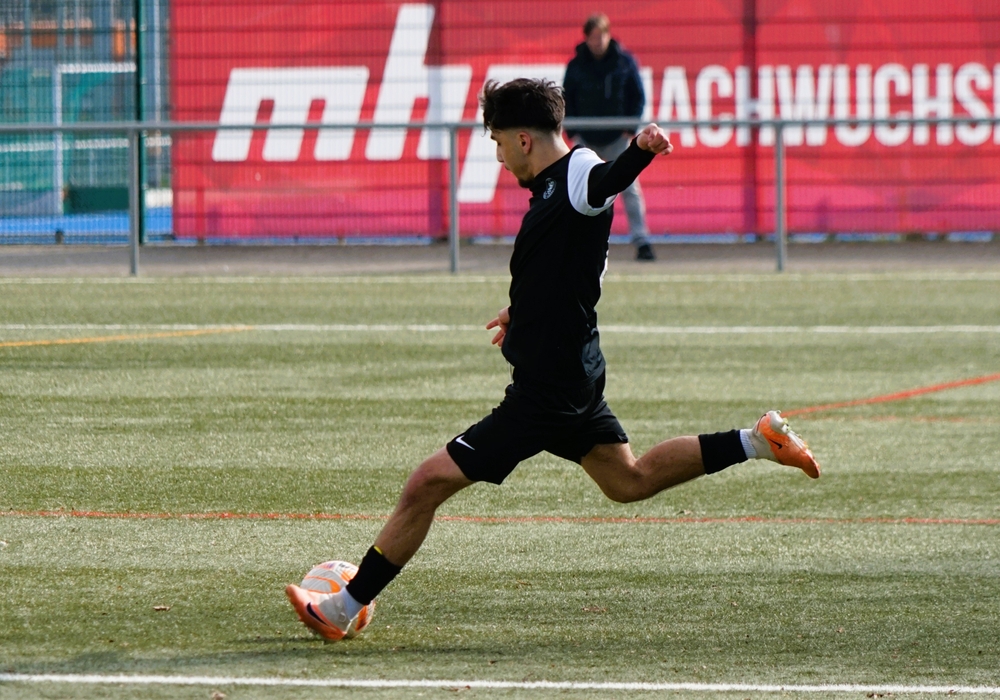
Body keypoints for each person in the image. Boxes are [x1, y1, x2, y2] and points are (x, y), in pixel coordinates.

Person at [286, 78, 821, 641]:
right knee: (628, 480)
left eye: (498, 143)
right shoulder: (550, 188)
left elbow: (606, 183)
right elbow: (566, 267)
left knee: (427, 483)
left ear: (523, 139)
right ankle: (756, 440)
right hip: (574, 373)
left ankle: (343, 607)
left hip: (547, 390)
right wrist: (521, 312)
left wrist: (639, 150)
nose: (498, 157)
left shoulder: (578, 173)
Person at [563, 13, 655, 261]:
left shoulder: (624, 62)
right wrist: (573, 131)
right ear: (586, 38)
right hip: (586, 139)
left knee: (630, 188)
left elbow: (637, 95)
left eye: (601, 36)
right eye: (593, 37)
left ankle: (642, 241)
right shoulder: (576, 65)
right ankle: (574, 242)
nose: (598, 42)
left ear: (608, 35)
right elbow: (566, 98)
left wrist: (630, 127)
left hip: (617, 138)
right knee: (576, 190)